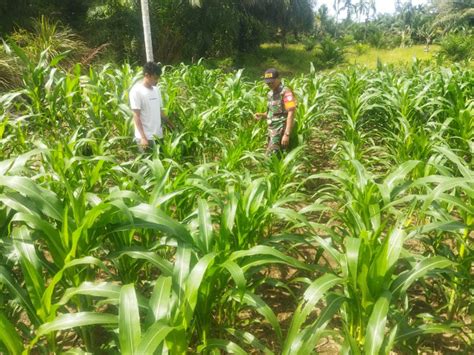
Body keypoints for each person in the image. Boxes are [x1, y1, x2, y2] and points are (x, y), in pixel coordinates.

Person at [129, 62, 174, 152]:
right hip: (146, 138)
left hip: (158, 136)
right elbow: (136, 115)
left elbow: (160, 111)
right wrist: (143, 137)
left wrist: (170, 124)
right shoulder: (136, 91)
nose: (157, 81)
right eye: (155, 78)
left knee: (159, 163)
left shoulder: (156, 90)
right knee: (146, 164)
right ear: (147, 75)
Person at [254, 68, 297, 155]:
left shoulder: (286, 92)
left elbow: (291, 112)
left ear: (278, 79)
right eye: (268, 83)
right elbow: (272, 113)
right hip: (272, 131)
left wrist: (287, 134)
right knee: (276, 158)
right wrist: (262, 115)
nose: (270, 84)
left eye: (272, 82)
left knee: (270, 157)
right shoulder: (270, 94)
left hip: (281, 130)